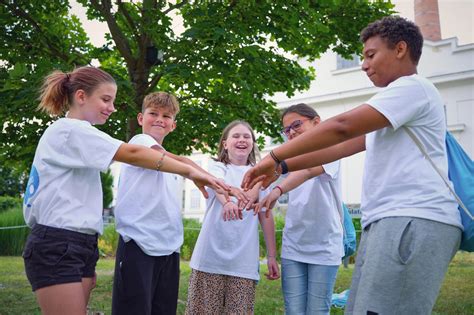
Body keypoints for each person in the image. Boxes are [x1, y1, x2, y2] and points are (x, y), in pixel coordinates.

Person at [242, 16, 462, 315]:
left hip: (412, 217)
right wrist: (280, 168)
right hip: (389, 220)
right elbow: (338, 148)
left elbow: (342, 127)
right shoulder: (393, 104)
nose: (363, 65)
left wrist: (274, 157)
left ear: (400, 49)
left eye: (371, 55)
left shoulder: (413, 89)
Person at [22, 66, 229, 315]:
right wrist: (192, 172)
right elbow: (133, 153)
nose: (111, 108)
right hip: (58, 240)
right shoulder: (69, 130)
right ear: (80, 96)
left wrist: (201, 174)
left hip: (81, 241)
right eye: (106, 99)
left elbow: (175, 158)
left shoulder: (84, 135)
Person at [111, 92, 213, 314]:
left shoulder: (170, 164)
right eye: (153, 113)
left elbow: (181, 163)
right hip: (139, 242)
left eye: (166, 116)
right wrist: (203, 175)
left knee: (163, 309)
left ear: (173, 125)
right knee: (135, 309)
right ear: (140, 118)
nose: (159, 119)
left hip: (168, 245)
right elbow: (183, 162)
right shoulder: (139, 142)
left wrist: (220, 186)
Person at [254, 103, 344, 314]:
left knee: (317, 311)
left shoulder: (331, 151)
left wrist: (277, 190)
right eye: (287, 130)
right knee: (293, 311)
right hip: (294, 245)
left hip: (324, 245)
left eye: (296, 125)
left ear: (316, 122)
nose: (291, 132)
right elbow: (268, 177)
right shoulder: (287, 159)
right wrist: (252, 191)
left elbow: (307, 170)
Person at [185, 120, 280, 314]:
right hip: (209, 260)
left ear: (253, 143)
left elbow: (266, 216)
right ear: (225, 144)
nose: (242, 140)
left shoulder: (261, 176)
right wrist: (227, 201)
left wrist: (271, 255)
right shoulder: (217, 167)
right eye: (235, 136)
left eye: (247, 136)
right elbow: (216, 184)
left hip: (243, 263)